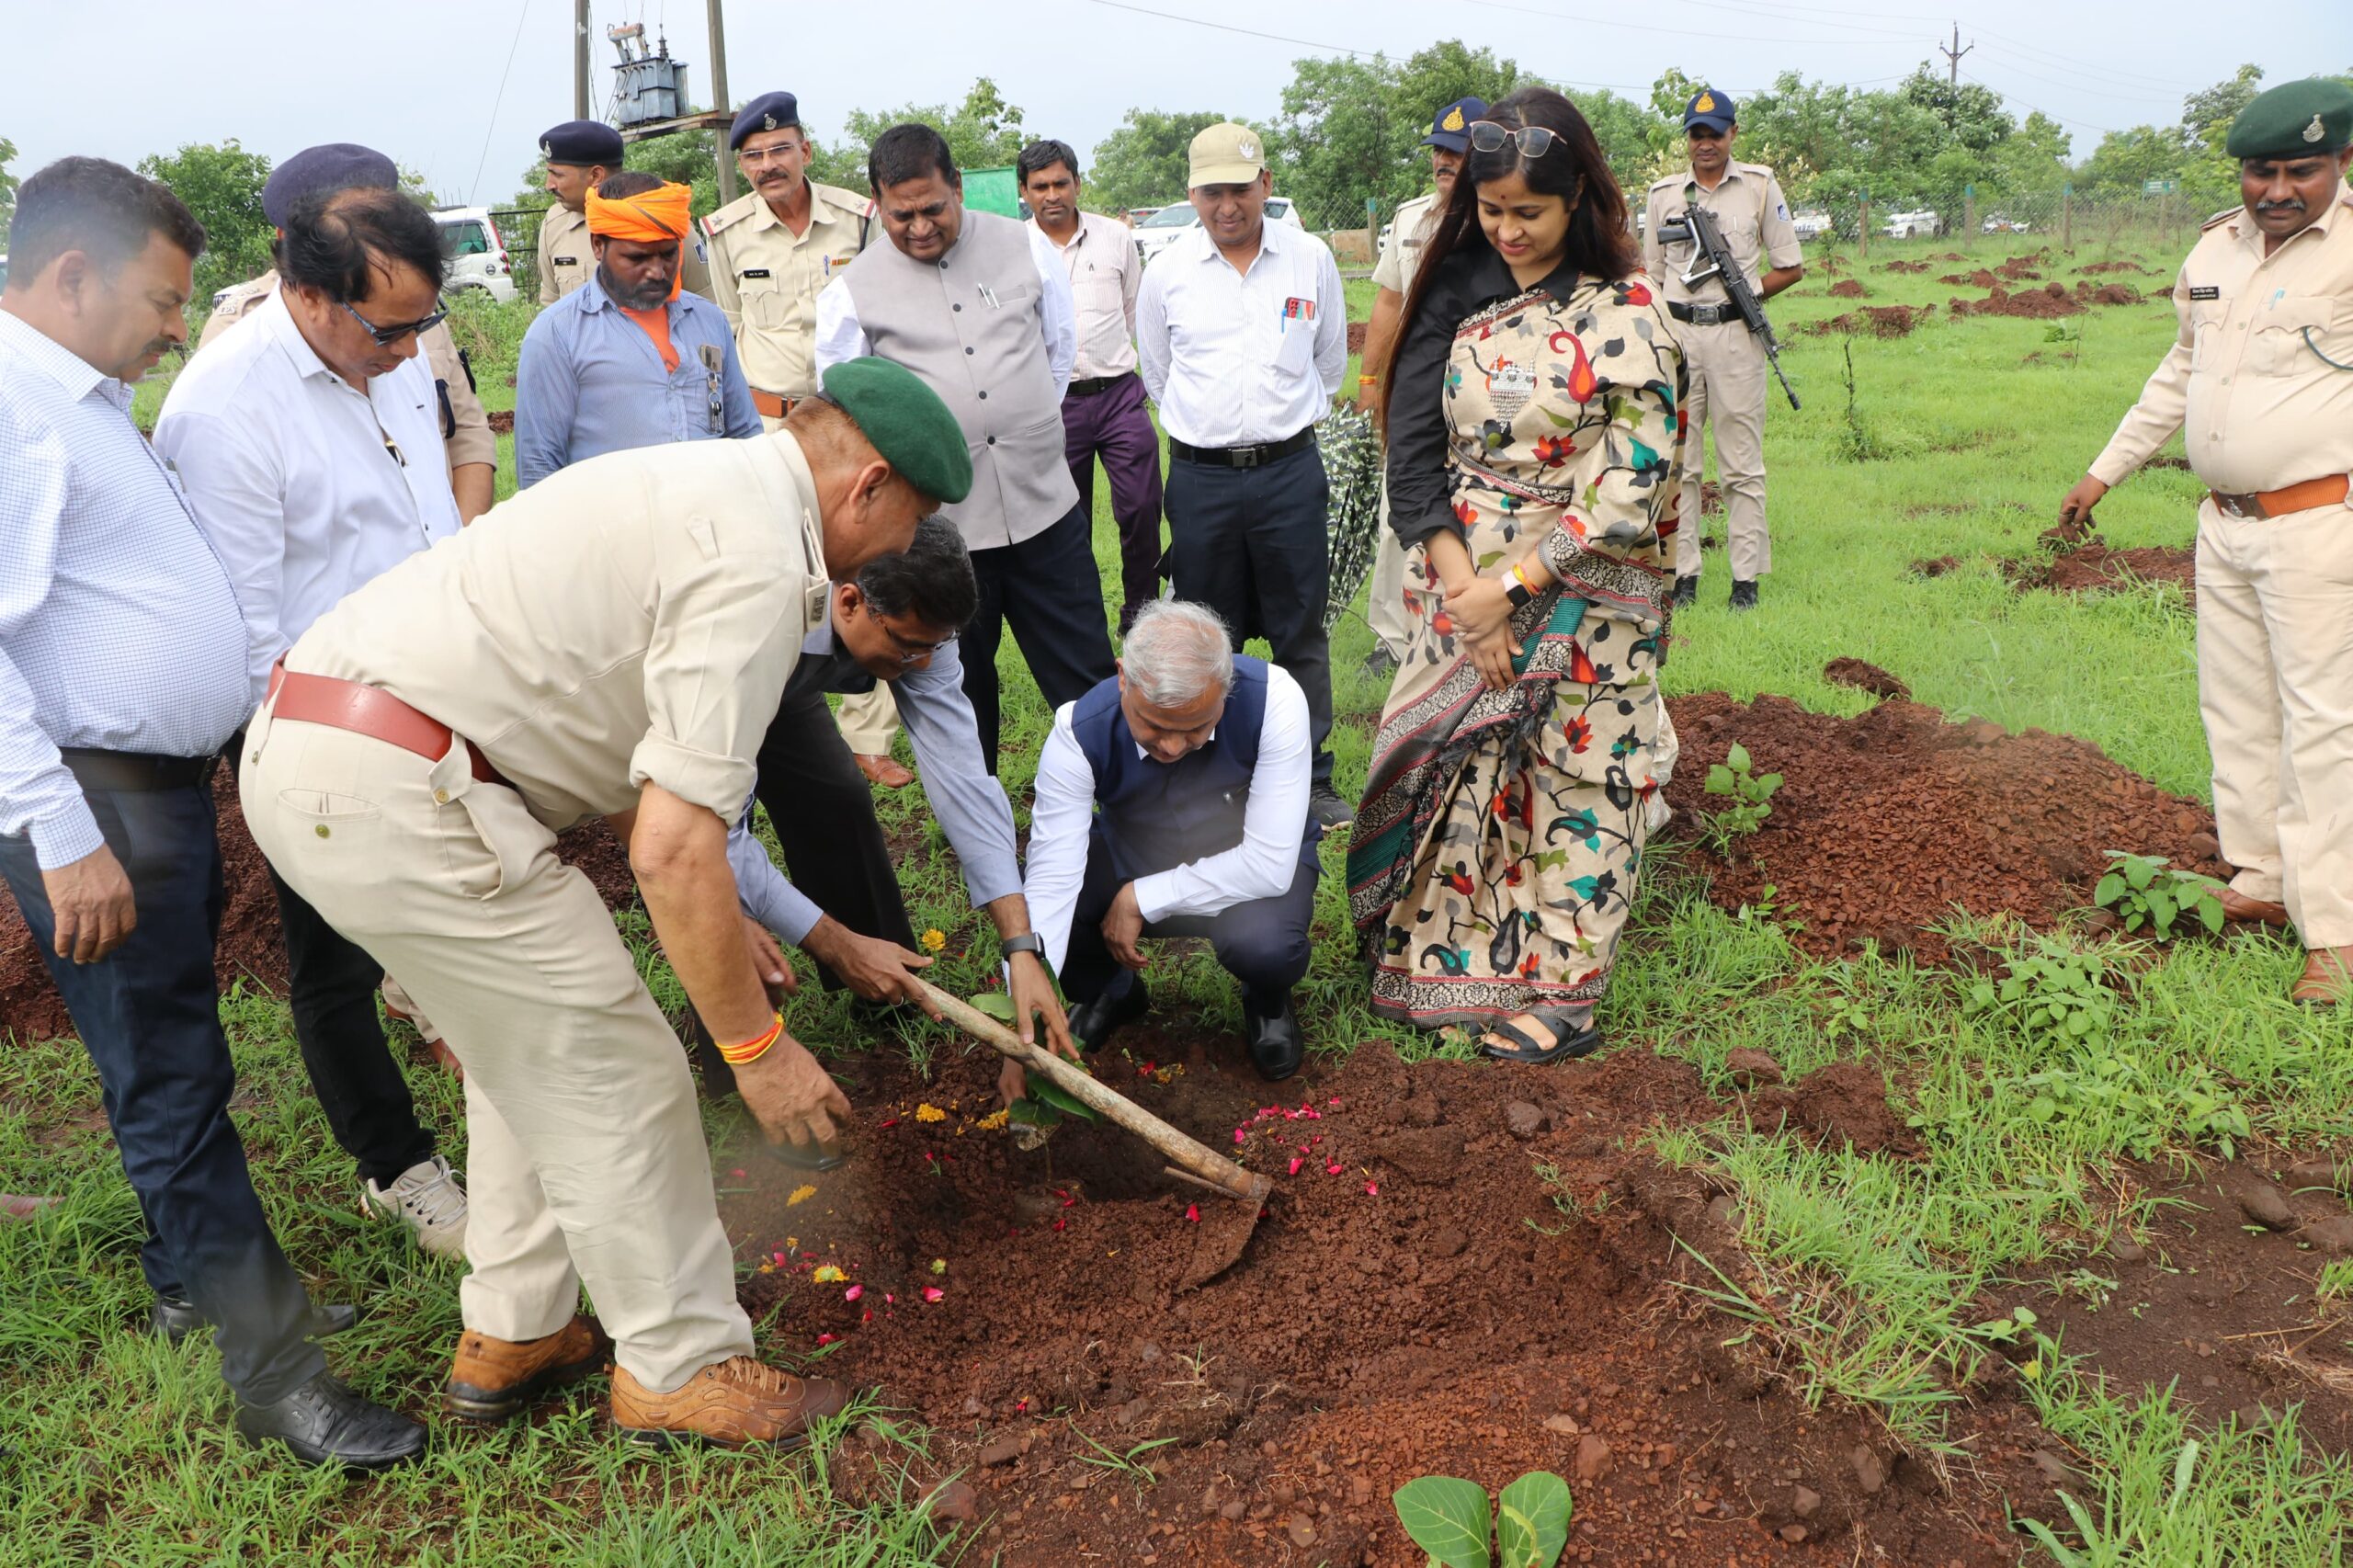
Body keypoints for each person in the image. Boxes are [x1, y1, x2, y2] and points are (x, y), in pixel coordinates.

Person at [240, 358, 961, 1446]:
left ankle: (516, 1327)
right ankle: (679, 1362)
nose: (901, 544)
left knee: (523, 1052)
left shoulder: (700, 480)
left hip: (328, 750)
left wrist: (725, 904)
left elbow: (626, 763)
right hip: (404, 785)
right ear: (864, 486)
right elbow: (673, 850)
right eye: (909, 517)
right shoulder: (761, 563)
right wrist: (757, 1046)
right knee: (620, 1070)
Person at [0, 155, 419, 1469]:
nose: (182, 326)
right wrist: (61, 836)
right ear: (72, 277)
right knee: (173, 1085)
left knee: (174, 1066)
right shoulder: (13, 408)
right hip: (96, 802)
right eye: (164, 299)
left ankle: (199, 1281)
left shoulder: (79, 399)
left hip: (155, 792)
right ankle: (274, 1371)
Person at [155, 187, 471, 1259]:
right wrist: (332, 754)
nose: (407, 349)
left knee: (469, 914)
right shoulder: (224, 408)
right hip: (321, 729)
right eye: (387, 328)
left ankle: (500, 1099)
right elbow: (245, 628)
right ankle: (398, 1165)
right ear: (302, 292)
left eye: (421, 323)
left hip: (444, 691)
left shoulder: (392, 355)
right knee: (333, 955)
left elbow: (427, 514)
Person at [1349, 87, 1686, 1064]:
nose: (1507, 231)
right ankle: (1465, 962)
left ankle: (1568, 993)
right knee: (1474, 772)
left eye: (1527, 213)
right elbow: (1414, 458)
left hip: (1585, 592)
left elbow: (1633, 478)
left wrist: (1515, 586)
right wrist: (1469, 594)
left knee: (1583, 776)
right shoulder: (1455, 288)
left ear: (1577, 195)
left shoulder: (1627, 311)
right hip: (1460, 585)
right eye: (1490, 210)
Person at [2059, 78, 2353, 1006]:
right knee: (2234, 710)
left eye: (2299, 171)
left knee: (2320, 728)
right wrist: (2105, 468)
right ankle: (2262, 879)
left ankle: (2334, 932)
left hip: (2315, 524)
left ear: (2339, 163)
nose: (2276, 189)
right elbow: (2178, 370)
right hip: (2221, 526)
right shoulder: (2212, 250)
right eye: (2260, 170)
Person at [724, 517, 1076, 1109]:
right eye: (908, 647)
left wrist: (1022, 946)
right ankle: (741, 1058)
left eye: (934, 647)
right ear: (851, 601)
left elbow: (964, 778)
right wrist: (819, 939)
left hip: (796, 669)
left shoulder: (921, 629)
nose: (921, 663)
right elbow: (717, 835)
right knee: (710, 896)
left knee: (837, 799)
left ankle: (886, 993)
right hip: (689, 688)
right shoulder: (750, 622)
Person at [817, 123, 1115, 767]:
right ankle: (977, 822)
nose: (919, 226)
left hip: (1046, 513)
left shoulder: (1026, 247)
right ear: (877, 202)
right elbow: (845, 403)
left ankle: (1114, 801)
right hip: (937, 538)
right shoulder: (851, 290)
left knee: (1084, 675)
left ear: (957, 186)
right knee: (961, 688)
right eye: (902, 215)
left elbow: (1057, 352)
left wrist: (1016, 421)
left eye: (933, 209)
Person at [1135, 122, 1353, 833]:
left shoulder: (1309, 258)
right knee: (1205, 630)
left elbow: (1328, 363)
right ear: (1191, 194)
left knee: (1300, 630)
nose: (1227, 205)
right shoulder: (1168, 271)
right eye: (1211, 192)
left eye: (1240, 189)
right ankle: (1212, 777)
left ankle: (1312, 780)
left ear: (1265, 185)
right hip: (1201, 481)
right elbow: (1159, 375)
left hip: (1291, 471)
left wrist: (1273, 430)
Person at [700, 91, 903, 786]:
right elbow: (724, 331)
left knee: (862, 561)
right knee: (778, 568)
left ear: (805, 151)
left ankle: (869, 735)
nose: (766, 165)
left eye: (778, 149)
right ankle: (779, 718)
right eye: (752, 156)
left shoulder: (859, 219)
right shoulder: (723, 234)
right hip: (769, 425)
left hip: (847, 425)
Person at [1024, 602, 1317, 1080]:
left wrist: (1141, 897)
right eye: (1155, 726)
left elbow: (1268, 864)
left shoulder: (1277, 700)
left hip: (1247, 875)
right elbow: (1051, 879)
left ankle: (1266, 1001)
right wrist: (1032, 1001)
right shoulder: (1077, 733)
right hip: (1134, 855)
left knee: (1265, 945)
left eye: (1196, 728)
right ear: (1123, 678)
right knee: (1061, 904)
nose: (1173, 747)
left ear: (1225, 689)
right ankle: (1110, 991)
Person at [199, 143, 496, 525]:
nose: (407, 347)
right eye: (385, 332)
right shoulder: (237, 343)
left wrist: (456, 559)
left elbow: (467, 435)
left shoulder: (409, 312)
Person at [1642, 88, 1802, 611]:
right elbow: (1652, 275)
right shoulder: (1664, 195)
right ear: (1686, 138)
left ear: (1733, 134)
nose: (1705, 143)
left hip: (1736, 337)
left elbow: (1790, 266)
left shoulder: (1758, 186)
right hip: (1679, 338)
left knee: (1741, 464)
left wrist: (1746, 295)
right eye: (1696, 133)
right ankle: (1683, 574)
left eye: (1715, 133)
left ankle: (1746, 580)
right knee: (1679, 464)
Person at [514, 173, 758, 487]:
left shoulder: (709, 319)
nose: (657, 271)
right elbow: (538, 469)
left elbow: (744, 434)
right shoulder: (557, 335)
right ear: (598, 246)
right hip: (612, 531)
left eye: (669, 254)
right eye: (637, 257)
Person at [1356, 97, 1484, 681]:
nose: (1444, 160)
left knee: (1474, 506)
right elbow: (1388, 300)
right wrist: (1368, 378)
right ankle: (1390, 634)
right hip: (1414, 390)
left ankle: (1464, 620)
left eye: (1456, 152)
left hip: (1482, 392)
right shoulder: (1411, 219)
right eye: (1438, 149)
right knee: (1397, 508)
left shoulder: (1496, 216)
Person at [1020, 138, 1164, 636]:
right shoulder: (1016, 249)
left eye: (1061, 183)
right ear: (1025, 192)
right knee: (1067, 518)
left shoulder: (1116, 238)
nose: (1052, 194)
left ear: (1077, 184)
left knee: (1143, 507)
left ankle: (1142, 617)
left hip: (1120, 393)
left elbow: (1134, 312)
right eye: (1040, 186)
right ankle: (1081, 624)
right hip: (1055, 402)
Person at [536, 119, 713, 305]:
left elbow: (703, 305)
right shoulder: (555, 225)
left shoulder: (665, 222)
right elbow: (552, 305)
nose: (549, 185)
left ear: (596, 176)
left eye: (557, 175)